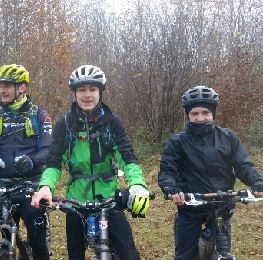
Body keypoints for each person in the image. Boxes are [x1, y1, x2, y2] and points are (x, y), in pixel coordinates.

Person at [31, 65, 150, 260]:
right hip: (76, 202)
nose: (87, 95)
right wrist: (45, 187)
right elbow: (54, 161)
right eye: (82, 90)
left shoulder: (113, 122)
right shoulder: (65, 124)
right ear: (74, 93)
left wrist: (137, 184)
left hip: (109, 199)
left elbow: (127, 156)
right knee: (75, 255)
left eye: (92, 89)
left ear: (100, 92)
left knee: (130, 254)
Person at [158, 85, 263, 260]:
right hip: (190, 207)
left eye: (205, 113)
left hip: (222, 207)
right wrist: (171, 187)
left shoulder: (228, 138)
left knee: (223, 254)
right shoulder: (178, 142)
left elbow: (243, 166)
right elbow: (168, 169)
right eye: (194, 114)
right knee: (185, 256)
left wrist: (256, 181)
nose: (200, 118)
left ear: (213, 113)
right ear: (188, 115)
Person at [0, 64, 52, 260]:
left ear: (22, 87)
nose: (2, 89)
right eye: (0, 85)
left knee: (37, 240)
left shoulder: (39, 114)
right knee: (6, 234)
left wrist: (32, 161)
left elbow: (47, 149)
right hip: (5, 185)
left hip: (33, 185)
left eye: (7, 85)